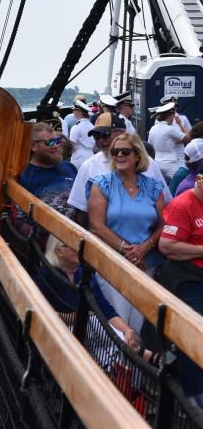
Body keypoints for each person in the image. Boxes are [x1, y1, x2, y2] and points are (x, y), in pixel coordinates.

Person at [86, 132, 166, 334]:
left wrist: (144, 249)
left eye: (125, 151)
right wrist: (127, 251)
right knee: (118, 325)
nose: (119, 155)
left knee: (137, 325)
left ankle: (134, 365)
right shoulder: (101, 184)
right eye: (115, 152)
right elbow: (96, 225)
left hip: (144, 264)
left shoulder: (153, 186)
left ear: (138, 155)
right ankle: (114, 365)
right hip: (112, 263)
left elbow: (164, 225)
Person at [35, 235, 139, 352]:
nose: (80, 249)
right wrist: (80, 315)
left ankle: (143, 357)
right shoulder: (45, 275)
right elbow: (42, 315)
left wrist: (127, 330)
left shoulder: (84, 273)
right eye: (74, 245)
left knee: (120, 338)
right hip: (59, 337)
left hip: (89, 332)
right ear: (59, 251)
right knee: (97, 327)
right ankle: (147, 357)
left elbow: (105, 309)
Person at [159, 173, 203, 405]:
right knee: (193, 335)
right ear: (199, 179)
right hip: (189, 280)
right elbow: (167, 246)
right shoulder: (183, 204)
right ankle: (190, 395)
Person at [16, 123, 77, 228]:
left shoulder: (70, 167)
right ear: (33, 146)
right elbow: (21, 221)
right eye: (49, 142)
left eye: (57, 141)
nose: (55, 145)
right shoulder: (23, 177)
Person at [148, 101, 191, 182]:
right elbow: (187, 138)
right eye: (173, 116)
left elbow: (150, 145)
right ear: (170, 115)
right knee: (174, 184)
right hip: (170, 163)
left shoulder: (153, 128)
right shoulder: (170, 129)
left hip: (157, 161)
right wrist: (180, 124)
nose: (173, 118)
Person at [69, 100, 95, 170]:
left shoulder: (76, 127)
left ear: (80, 112)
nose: (73, 112)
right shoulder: (92, 126)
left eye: (74, 110)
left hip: (79, 158)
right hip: (91, 156)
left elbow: (72, 145)